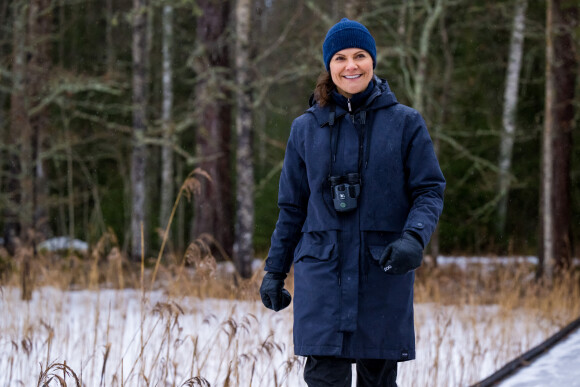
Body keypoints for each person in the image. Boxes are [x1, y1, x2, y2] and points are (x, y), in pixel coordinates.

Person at [259, 18, 445, 387]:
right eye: (340, 58)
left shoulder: (405, 123)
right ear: (328, 66)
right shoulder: (305, 128)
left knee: (378, 380)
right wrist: (274, 272)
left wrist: (413, 238)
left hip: (381, 273)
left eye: (360, 55)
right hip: (321, 277)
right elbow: (292, 208)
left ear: (373, 61)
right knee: (324, 378)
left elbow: (429, 190)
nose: (351, 65)